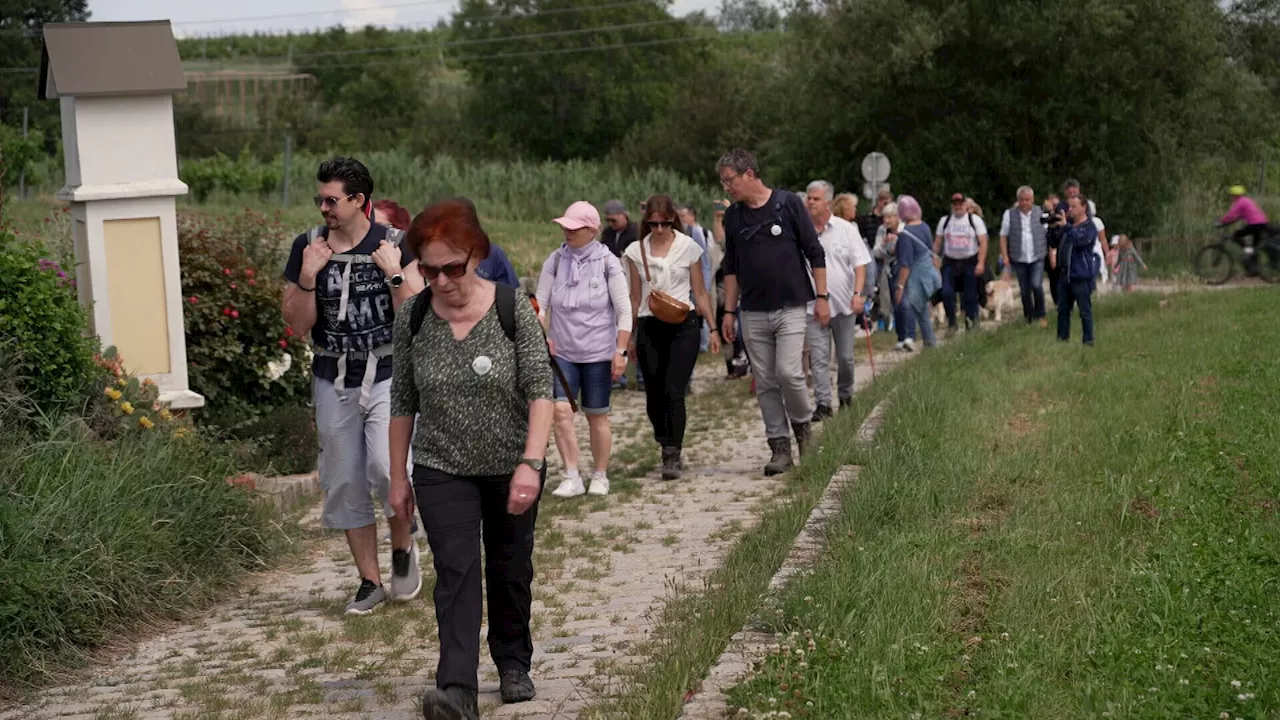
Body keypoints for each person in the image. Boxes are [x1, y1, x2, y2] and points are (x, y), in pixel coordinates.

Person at [387, 199, 554, 719]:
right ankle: (456, 688)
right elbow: (402, 401)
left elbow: (540, 391)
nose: (440, 280)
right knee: (456, 570)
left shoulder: (511, 309)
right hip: (441, 466)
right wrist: (397, 477)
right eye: (428, 268)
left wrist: (530, 463)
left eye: (451, 268)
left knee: (509, 568)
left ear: (476, 255)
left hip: (510, 463)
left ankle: (512, 662)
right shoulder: (414, 317)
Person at [282, 157, 425, 615]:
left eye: (331, 200)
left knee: (387, 469)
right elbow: (296, 325)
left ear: (359, 201)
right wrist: (307, 277)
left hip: (388, 373)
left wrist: (396, 274)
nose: (323, 208)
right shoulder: (307, 245)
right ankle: (370, 581)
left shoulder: (395, 243)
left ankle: (402, 545)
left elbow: (418, 320)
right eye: (319, 199)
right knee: (344, 480)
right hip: (333, 376)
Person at [717, 148, 828, 476]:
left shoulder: (788, 204)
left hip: (791, 306)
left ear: (749, 174)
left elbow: (814, 251)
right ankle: (779, 446)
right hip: (752, 311)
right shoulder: (733, 217)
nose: (727, 188)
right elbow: (731, 268)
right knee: (764, 380)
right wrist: (728, 312)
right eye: (723, 182)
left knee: (789, 374)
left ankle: (803, 430)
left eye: (730, 180)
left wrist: (822, 296)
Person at [536, 201, 632, 498]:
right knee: (561, 412)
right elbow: (540, 304)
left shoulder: (608, 262)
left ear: (592, 230)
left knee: (596, 415)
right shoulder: (555, 260)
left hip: (598, 352)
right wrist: (542, 334)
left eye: (574, 228)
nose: (567, 231)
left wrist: (621, 350)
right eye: (565, 226)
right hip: (562, 351)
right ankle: (571, 475)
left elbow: (624, 310)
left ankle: (600, 475)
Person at [624, 195, 719, 480]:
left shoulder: (688, 247)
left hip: (683, 324)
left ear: (672, 220)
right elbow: (634, 297)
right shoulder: (634, 250)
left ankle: (672, 452)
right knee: (653, 392)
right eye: (653, 224)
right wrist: (627, 338)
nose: (659, 229)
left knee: (674, 390)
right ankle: (663, 437)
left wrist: (712, 328)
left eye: (664, 223)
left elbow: (700, 291)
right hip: (649, 324)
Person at [803, 180, 870, 419]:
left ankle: (845, 396)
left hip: (844, 305)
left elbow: (860, 264)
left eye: (816, 198)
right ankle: (823, 404)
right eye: (809, 198)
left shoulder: (846, 229)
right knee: (818, 358)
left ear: (828, 202)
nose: (810, 202)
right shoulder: (801, 230)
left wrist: (858, 294)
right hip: (812, 305)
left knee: (846, 357)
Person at [934, 192, 989, 332]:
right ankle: (952, 322)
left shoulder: (974, 220)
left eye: (960, 204)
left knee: (970, 295)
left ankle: (971, 324)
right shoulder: (945, 221)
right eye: (955, 204)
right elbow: (938, 242)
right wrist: (934, 260)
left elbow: (983, 241)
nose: (958, 207)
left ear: (965, 205)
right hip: (950, 262)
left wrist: (981, 263)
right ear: (952, 206)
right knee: (946, 291)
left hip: (970, 261)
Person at [892, 195, 941, 352]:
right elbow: (930, 250)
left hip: (915, 277)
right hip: (927, 273)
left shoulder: (906, 234)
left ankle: (910, 339)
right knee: (921, 310)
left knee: (911, 307)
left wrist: (900, 286)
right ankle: (929, 343)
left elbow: (905, 264)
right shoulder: (925, 226)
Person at [998, 186, 1049, 326]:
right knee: (1025, 290)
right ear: (1018, 200)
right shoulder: (1009, 214)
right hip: (1018, 257)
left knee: (1037, 285)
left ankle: (1041, 315)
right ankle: (1029, 317)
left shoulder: (1041, 212)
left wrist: (1051, 253)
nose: (1025, 203)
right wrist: (1005, 257)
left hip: (1037, 255)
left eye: (1028, 200)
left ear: (1032, 200)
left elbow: (1048, 233)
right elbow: (1003, 236)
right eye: (1022, 200)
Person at [1051, 194, 1098, 346]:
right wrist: (1052, 229)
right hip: (1065, 274)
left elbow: (1080, 241)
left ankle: (1088, 341)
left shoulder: (1089, 227)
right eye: (1069, 206)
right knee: (1063, 310)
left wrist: (1066, 227)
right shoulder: (1068, 226)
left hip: (1081, 275)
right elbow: (1054, 242)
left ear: (1084, 207)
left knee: (1085, 311)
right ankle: (1062, 339)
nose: (1070, 210)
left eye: (1074, 206)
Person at [872, 201, 901, 334]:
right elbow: (876, 251)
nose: (886, 220)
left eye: (890, 217)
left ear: (897, 217)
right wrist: (884, 244)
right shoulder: (882, 230)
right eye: (885, 217)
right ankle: (889, 320)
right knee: (885, 295)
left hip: (902, 266)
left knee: (901, 295)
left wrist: (897, 241)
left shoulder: (903, 229)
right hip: (887, 266)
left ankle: (903, 321)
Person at [1218, 185, 1271, 254]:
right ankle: (1252, 259)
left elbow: (1230, 214)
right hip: (1262, 223)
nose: (1230, 197)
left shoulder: (1239, 202)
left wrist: (1221, 221)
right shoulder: (1246, 200)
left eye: (1231, 195)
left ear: (1235, 195)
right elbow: (1241, 216)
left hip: (1255, 224)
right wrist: (1231, 222)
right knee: (1254, 246)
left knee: (1236, 234)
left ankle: (1248, 254)